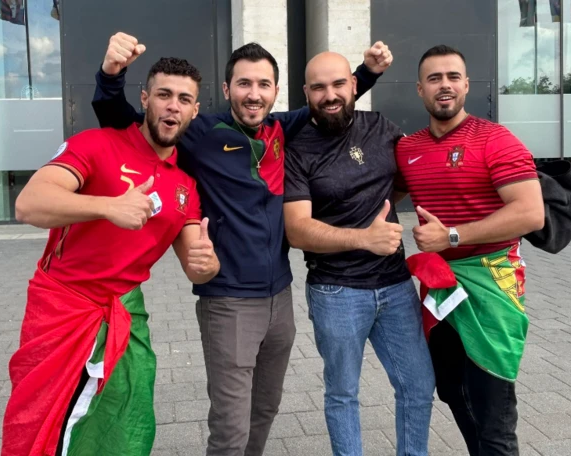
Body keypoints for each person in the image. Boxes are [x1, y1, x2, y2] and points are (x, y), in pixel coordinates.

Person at [91, 32, 393, 455]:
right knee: (231, 427)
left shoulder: (280, 127)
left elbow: (330, 102)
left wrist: (369, 72)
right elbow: (121, 121)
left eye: (263, 85)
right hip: (228, 301)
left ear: (275, 91)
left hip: (279, 299)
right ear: (228, 88)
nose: (254, 94)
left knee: (264, 410)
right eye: (245, 84)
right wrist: (111, 75)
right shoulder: (199, 132)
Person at [2, 57, 220, 456]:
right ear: (145, 98)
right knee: (48, 426)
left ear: (194, 110)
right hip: (64, 308)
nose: (173, 105)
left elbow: (196, 266)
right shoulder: (97, 143)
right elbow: (28, 204)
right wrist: (107, 206)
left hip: (124, 315)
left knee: (124, 422)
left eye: (184, 99)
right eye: (164, 95)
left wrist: (209, 264)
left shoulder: (185, 184)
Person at [282, 51, 435, 456]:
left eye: (337, 84)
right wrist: (363, 237)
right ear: (306, 93)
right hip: (337, 291)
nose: (329, 95)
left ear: (353, 84)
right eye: (318, 87)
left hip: (396, 286)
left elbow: (405, 178)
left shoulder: (381, 126)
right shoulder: (296, 149)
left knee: (418, 386)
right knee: (343, 393)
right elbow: (297, 229)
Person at [395, 45, 545, 456]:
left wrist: (453, 236)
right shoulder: (409, 149)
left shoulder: (495, 139)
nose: (444, 85)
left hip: (492, 285)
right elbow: (377, 193)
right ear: (420, 90)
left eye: (453, 77)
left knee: (493, 406)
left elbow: (531, 213)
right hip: (440, 289)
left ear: (466, 85)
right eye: (434, 78)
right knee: (451, 389)